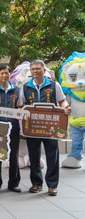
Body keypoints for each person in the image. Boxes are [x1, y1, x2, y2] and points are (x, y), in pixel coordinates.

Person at [19, 60, 71, 196]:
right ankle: (36, 184)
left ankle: (52, 186)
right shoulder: (25, 87)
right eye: (33, 69)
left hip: (51, 128)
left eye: (37, 68)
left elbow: (62, 101)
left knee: (52, 156)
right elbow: (22, 105)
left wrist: (66, 108)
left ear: (44, 70)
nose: (35, 71)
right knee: (34, 156)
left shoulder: (54, 85)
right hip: (33, 128)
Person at [0, 65, 22, 192]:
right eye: (2, 73)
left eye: (7, 73)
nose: (4, 75)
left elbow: (20, 106)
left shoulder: (17, 90)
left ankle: (13, 183)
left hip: (13, 127)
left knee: (14, 155)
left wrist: (19, 113)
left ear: (10, 75)